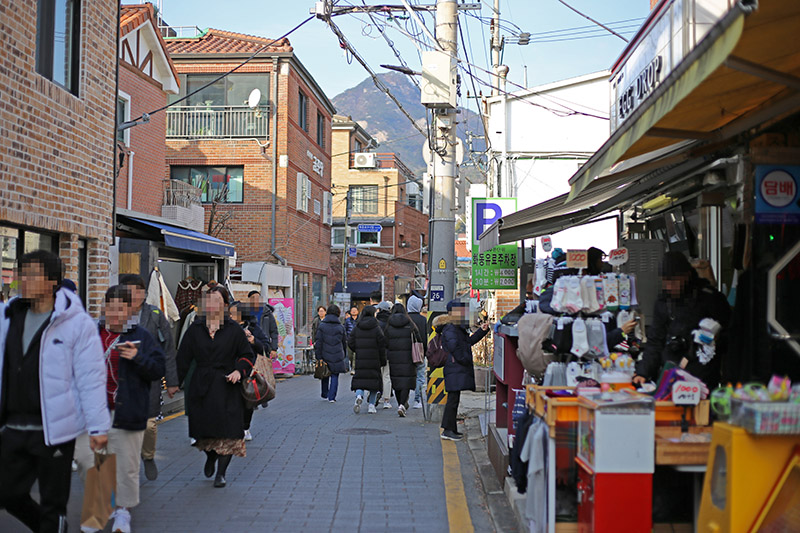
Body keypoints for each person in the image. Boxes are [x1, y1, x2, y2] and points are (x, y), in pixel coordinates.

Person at [0, 251, 110, 533]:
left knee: (52, 503)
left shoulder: (76, 323)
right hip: (11, 428)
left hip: (55, 431)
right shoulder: (8, 317)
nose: (23, 280)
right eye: (21, 273)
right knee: (7, 494)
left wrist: (98, 427)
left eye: (32, 274)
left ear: (52, 282)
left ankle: (52, 525)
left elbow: (90, 377)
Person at [74, 285, 165, 533]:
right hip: (92, 412)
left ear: (130, 310)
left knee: (125, 464)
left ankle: (121, 512)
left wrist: (138, 357)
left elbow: (158, 369)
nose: (114, 313)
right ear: (104, 308)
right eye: (110, 307)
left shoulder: (141, 336)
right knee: (88, 460)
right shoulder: (90, 333)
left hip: (127, 409)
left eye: (120, 308)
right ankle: (103, 505)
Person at [177, 286, 255, 488]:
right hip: (201, 385)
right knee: (203, 431)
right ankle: (210, 456)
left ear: (225, 305)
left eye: (217, 301)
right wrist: (174, 382)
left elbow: (248, 355)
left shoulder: (234, 330)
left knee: (229, 432)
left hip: (227, 386)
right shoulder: (196, 329)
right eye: (209, 301)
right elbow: (183, 358)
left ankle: (221, 473)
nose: (213, 305)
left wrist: (239, 371)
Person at [633, 251, 731, 389]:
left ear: (686, 276)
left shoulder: (710, 298)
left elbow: (730, 335)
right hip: (671, 375)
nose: (669, 287)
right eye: (665, 282)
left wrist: (711, 341)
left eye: (673, 281)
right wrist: (643, 372)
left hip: (704, 377)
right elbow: (655, 341)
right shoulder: (663, 302)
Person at [118, 274, 178, 482]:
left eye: (137, 291)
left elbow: (168, 349)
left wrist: (171, 381)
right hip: (121, 380)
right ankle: (129, 464)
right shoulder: (115, 315)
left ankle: (148, 455)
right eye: (128, 291)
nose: (133, 296)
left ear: (144, 293)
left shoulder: (154, 315)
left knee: (149, 424)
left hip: (149, 378)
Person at [433, 299, 490, 441]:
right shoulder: (451, 328)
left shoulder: (456, 327)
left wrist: (482, 332)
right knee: (452, 400)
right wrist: (465, 359)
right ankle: (447, 430)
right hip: (454, 367)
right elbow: (455, 348)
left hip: (455, 367)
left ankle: (451, 429)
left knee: (454, 399)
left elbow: (468, 342)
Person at [229, 301, 270, 442]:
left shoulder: (253, 328)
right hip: (230, 370)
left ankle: (245, 427)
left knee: (247, 402)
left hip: (248, 370)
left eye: (232, 313)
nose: (230, 316)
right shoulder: (225, 328)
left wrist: (253, 340)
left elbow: (265, 346)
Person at [348, 306, 386, 414]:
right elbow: (382, 344)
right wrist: (382, 359)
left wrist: (358, 349)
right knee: (373, 383)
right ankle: (371, 406)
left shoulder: (357, 327)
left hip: (361, 358)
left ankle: (359, 396)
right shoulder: (376, 327)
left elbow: (350, 342)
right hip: (374, 359)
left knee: (360, 380)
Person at [384, 303, 419, 418]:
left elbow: (385, 342)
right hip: (408, 357)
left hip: (394, 358)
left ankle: (400, 403)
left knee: (397, 381)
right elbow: (418, 339)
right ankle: (402, 405)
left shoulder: (389, 325)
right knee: (406, 382)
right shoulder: (410, 324)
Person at [314, 304, 348, 402]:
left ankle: (325, 393)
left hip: (325, 353)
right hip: (337, 353)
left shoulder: (322, 326)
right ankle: (332, 397)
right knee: (335, 375)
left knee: (325, 373)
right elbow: (344, 342)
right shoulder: (340, 327)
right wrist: (343, 354)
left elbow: (319, 342)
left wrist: (318, 356)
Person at [406, 294, 428, 409]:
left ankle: (404, 400)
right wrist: (425, 351)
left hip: (405, 352)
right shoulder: (423, 320)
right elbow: (425, 337)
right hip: (419, 352)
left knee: (406, 375)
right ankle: (417, 400)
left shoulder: (404, 318)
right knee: (420, 376)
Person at [247, 291, 279, 359]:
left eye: (258, 298)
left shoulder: (267, 313)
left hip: (264, 345)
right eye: (253, 298)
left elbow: (274, 331)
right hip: (250, 345)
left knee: (263, 367)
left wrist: (273, 348)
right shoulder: (246, 313)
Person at [375, 301, 393, 409]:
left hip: (376, 352)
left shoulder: (376, 322)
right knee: (387, 376)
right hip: (388, 352)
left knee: (376, 374)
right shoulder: (391, 322)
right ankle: (386, 400)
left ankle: (374, 395)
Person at [344, 305, 359, 374]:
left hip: (357, 339)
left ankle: (354, 368)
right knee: (350, 355)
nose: (353, 311)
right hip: (349, 339)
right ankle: (351, 365)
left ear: (358, 312)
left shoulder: (360, 320)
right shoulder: (347, 320)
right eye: (352, 310)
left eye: (355, 310)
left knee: (355, 355)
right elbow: (345, 329)